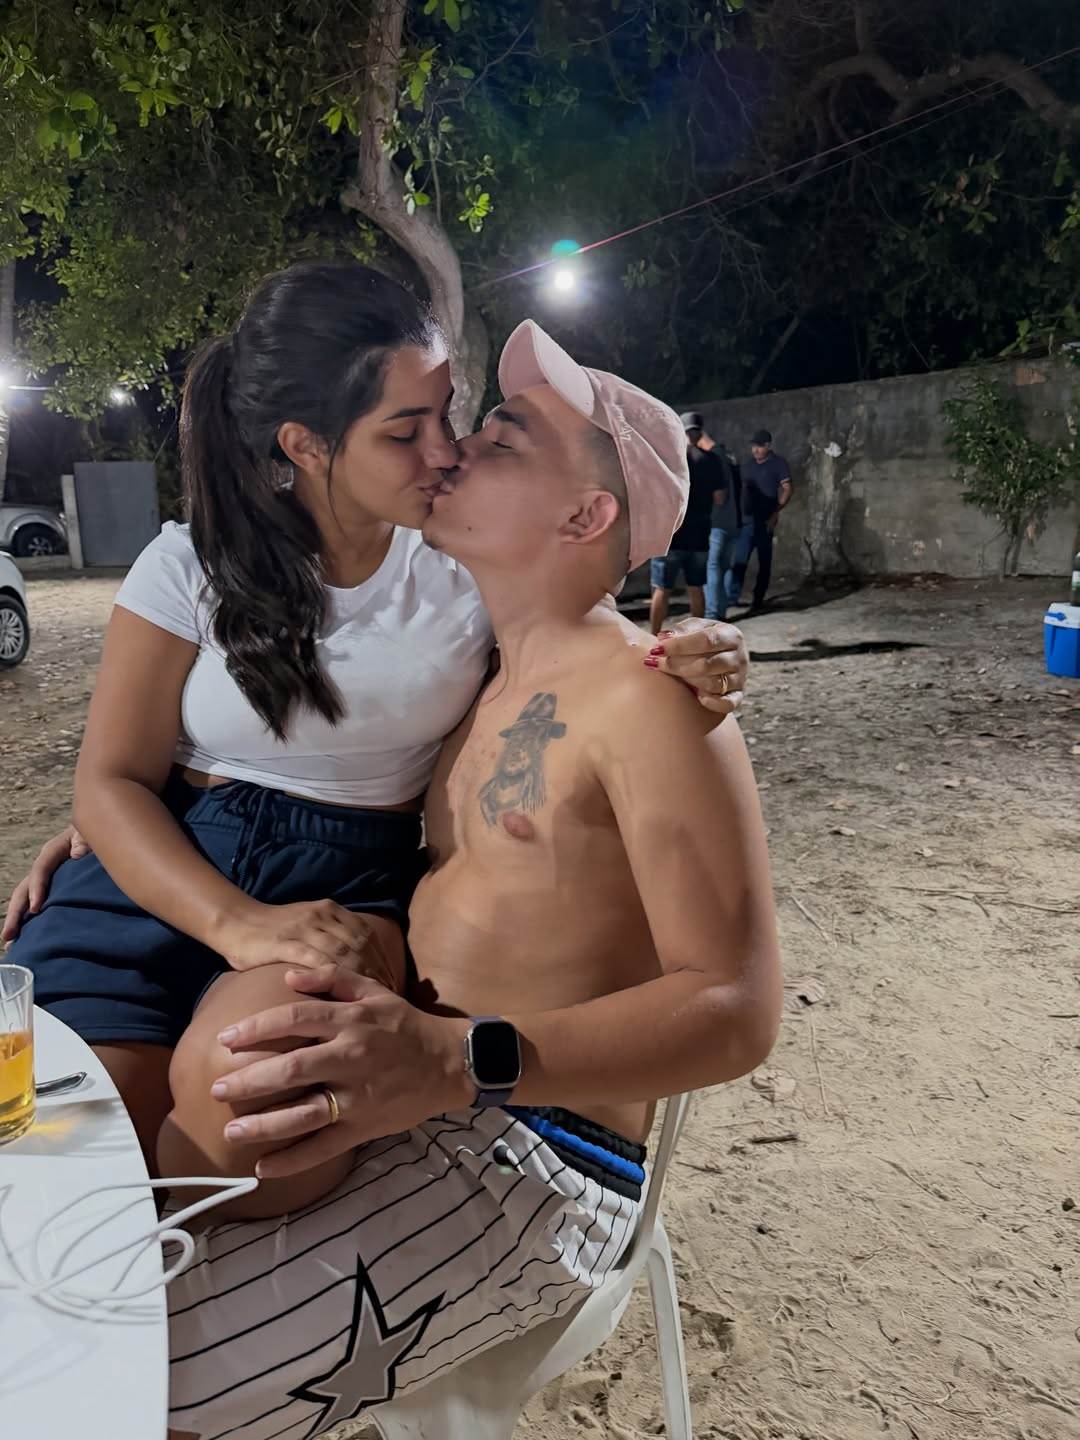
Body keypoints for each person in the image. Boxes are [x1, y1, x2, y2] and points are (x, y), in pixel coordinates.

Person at [2, 261, 749, 1221]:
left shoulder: (462, 561)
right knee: (57, 1146)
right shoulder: (189, 562)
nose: (446, 450)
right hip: (170, 860)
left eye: (449, 414)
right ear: (306, 443)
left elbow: (576, 623)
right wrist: (151, 863)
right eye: (406, 430)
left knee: (242, 1117)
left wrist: (707, 646)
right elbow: (111, 778)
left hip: (341, 875)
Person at [156, 320, 782, 1439]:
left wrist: (452, 1062)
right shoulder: (481, 677)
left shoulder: (650, 698)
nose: (456, 448)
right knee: (110, 1255)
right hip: (417, 1094)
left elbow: (736, 1009)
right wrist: (116, 817)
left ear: (584, 516)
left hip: (538, 1158)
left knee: (139, 1381)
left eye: (504, 436)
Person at [647, 412, 715, 634]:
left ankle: (653, 638)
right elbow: (720, 497)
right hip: (699, 535)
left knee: (662, 589)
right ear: (700, 432)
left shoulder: (669, 459)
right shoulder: (711, 461)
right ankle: (696, 638)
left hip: (670, 536)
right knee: (696, 588)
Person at [678, 412, 741, 622]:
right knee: (722, 567)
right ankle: (721, 611)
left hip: (716, 524)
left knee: (711, 569)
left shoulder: (711, 458)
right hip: (733, 522)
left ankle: (713, 615)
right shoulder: (728, 459)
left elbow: (719, 498)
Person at [728, 428, 792, 614]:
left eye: (759, 446)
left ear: (768, 446)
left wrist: (775, 512)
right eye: (753, 446)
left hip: (765, 522)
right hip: (747, 522)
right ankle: (732, 597)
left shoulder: (778, 464)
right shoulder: (747, 466)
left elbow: (787, 488)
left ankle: (758, 600)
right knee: (739, 561)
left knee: (764, 563)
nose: (755, 450)